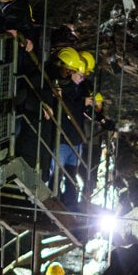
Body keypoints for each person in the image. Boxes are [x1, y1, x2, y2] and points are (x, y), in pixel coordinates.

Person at [50, 47, 90, 210]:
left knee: (72, 176)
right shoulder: (64, 87)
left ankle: (71, 205)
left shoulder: (79, 89)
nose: (82, 78)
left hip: (75, 140)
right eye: (79, 75)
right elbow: (71, 107)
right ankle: (55, 203)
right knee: (57, 176)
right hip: (63, 140)